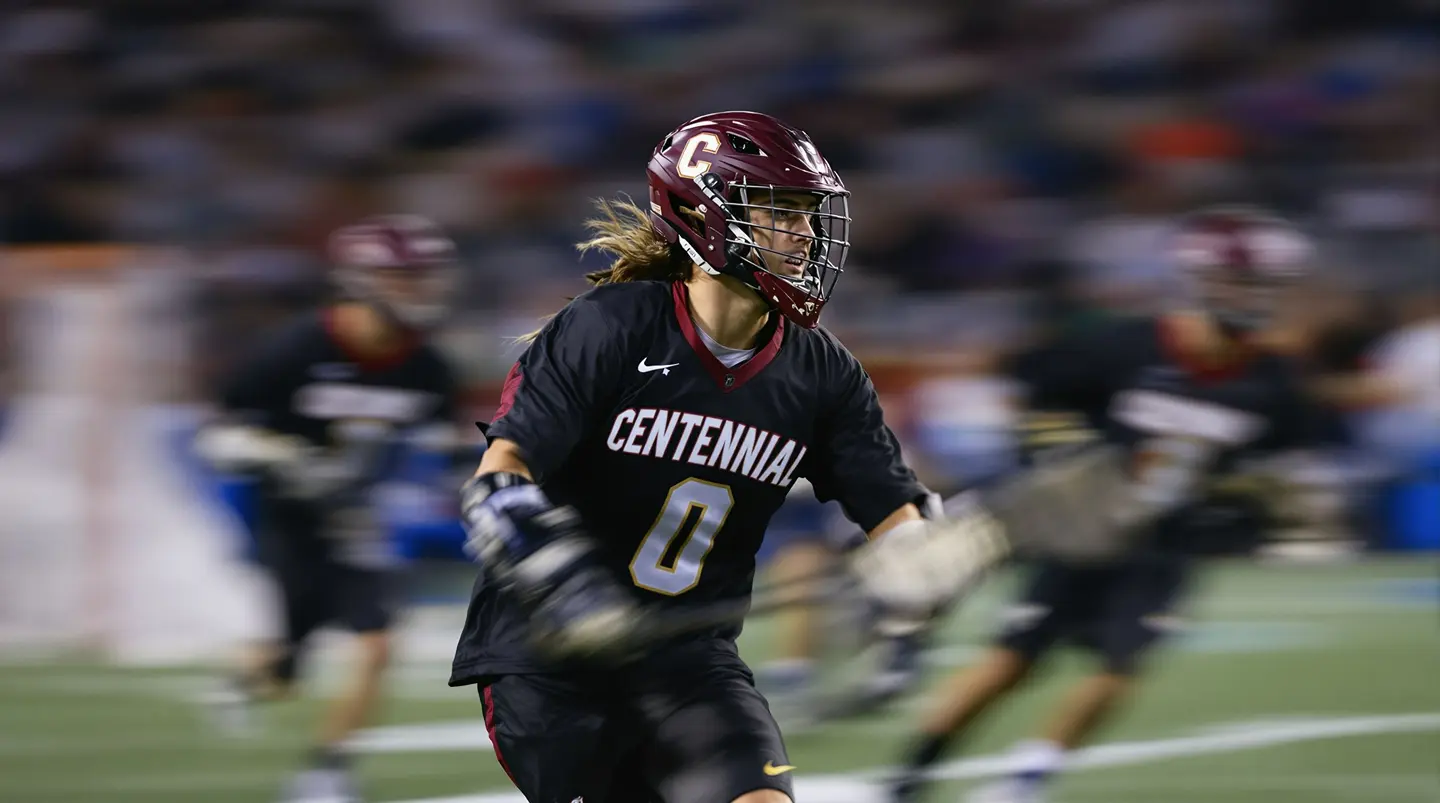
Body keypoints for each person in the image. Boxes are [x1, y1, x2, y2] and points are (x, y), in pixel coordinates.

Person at [449, 110, 1000, 803]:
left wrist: (925, 555)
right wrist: (561, 577)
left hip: (692, 657)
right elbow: (499, 478)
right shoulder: (610, 326)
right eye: (781, 212)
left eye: (809, 214)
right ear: (700, 215)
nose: (805, 234)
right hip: (549, 659)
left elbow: (893, 510)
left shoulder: (822, 372)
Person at [887, 205, 1321, 803]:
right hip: (1083, 531)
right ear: (1201, 280)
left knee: (1121, 666)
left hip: (1166, 543)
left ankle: (1023, 782)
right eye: (1239, 281)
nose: (1252, 296)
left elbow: (1279, 465)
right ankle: (907, 779)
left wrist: (1248, 502)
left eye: (1262, 284)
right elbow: (1036, 394)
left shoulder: (1273, 382)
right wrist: (1058, 464)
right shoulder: (1130, 346)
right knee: (1011, 662)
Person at [195, 214, 463, 803]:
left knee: (378, 639)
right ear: (361, 280)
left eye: (424, 276)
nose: (421, 290)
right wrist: (281, 456)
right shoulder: (298, 347)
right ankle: (249, 675)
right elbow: (220, 433)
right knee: (288, 666)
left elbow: (444, 449)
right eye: (404, 277)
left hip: (358, 520)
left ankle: (328, 770)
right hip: (288, 516)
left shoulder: (427, 367)